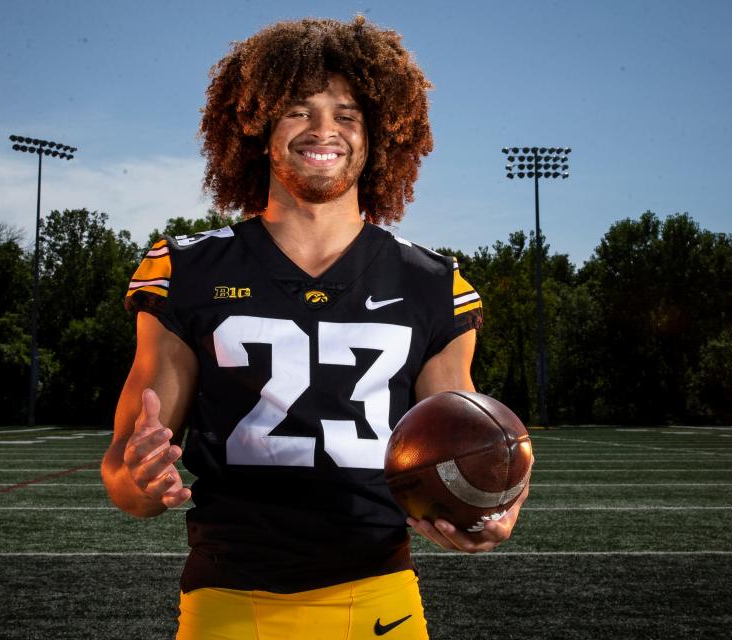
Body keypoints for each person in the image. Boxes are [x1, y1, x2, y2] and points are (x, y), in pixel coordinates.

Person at [102, 16, 530, 639]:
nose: (324, 130)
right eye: (298, 111)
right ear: (256, 128)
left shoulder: (435, 283)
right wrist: (139, 480)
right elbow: (122, 468)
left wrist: (487, 506)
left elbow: (460, 439)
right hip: (230, 599)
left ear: (381, 134)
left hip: (381, 599)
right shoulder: (185, 269)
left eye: (347, 114)